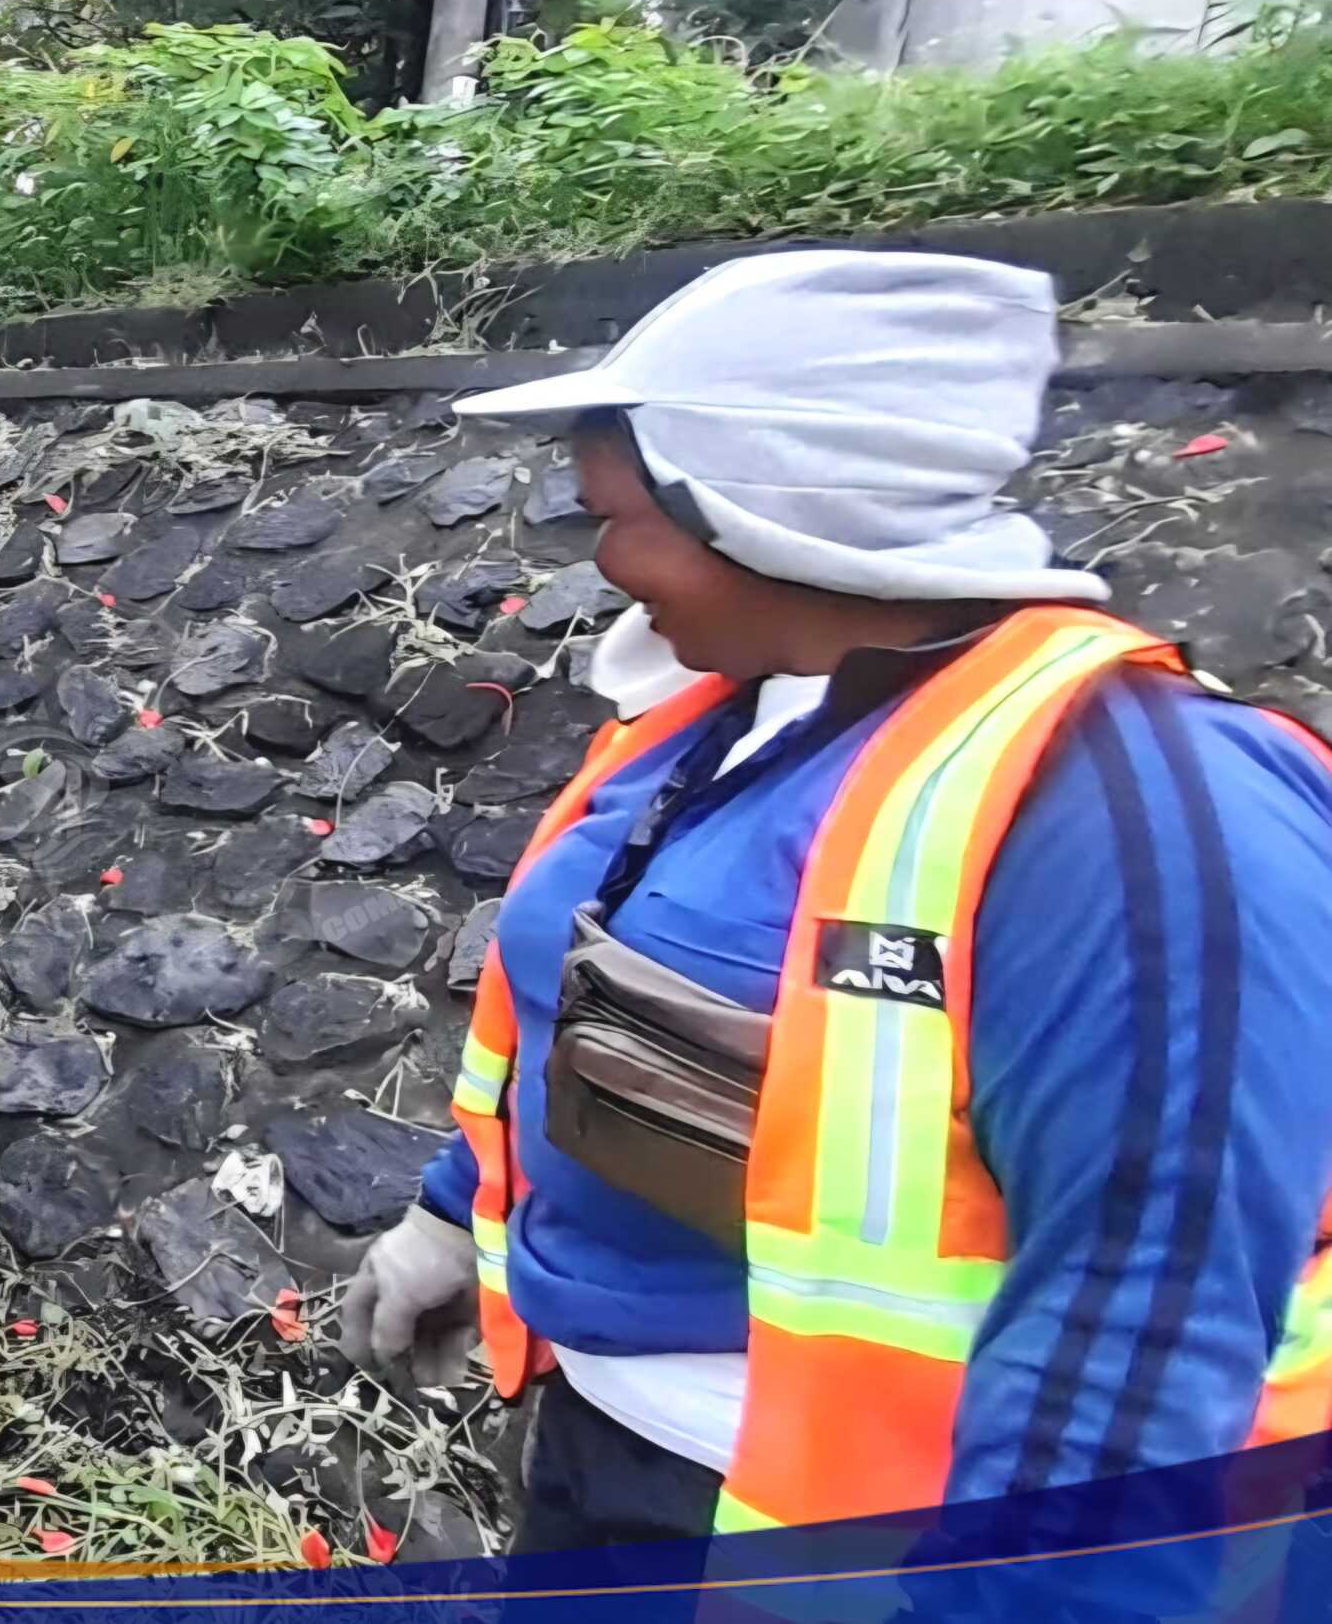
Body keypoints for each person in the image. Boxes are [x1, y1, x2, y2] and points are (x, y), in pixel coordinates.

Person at [339, 252, 1332, 1547]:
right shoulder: (706, 719)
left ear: (750, 512)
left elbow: (1146, 1303)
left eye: (616, 520)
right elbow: (579, 998)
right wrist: (449, 1210)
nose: (603, 563)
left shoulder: (1140, 806)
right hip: (609, 1450)